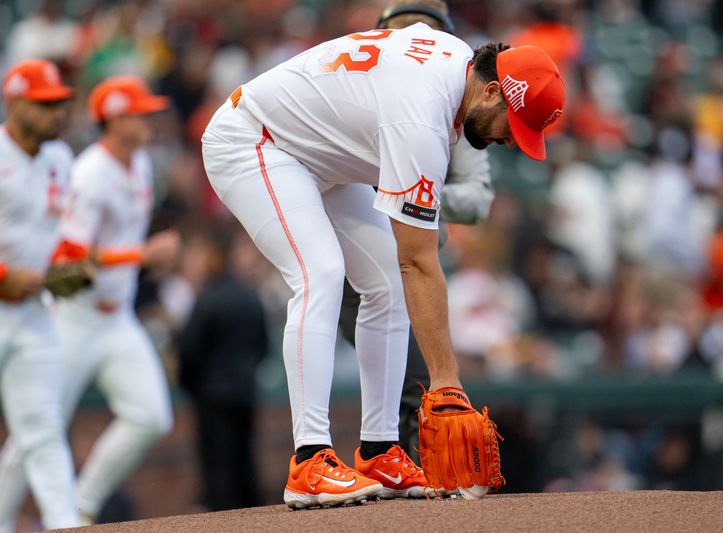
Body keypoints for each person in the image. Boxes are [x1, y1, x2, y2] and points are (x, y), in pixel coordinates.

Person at [202, 20, 564, 508]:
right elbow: (419, 258)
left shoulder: (457, 63)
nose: (509, 141)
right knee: (321, 273)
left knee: (386, 282)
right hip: (255, 140)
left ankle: (379, 449)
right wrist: (448, 383)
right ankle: (309, 460)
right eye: (513, 126)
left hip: (317, 153)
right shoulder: (421, 118)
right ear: (494, 92)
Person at [0, 75, 179, 526]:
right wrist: (141, 255)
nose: (150, 121)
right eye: (140, 113)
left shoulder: (137, 164)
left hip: (116, 317)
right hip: (72, 316)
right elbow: (70, 260)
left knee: (151, 416)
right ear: (115, 119)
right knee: (35, 432)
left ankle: (78, 506)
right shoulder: (89, 173)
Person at [337, 0, 495, 461]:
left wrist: (413, 192)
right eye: (403, 28)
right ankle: (392, 467)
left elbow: (478, 200)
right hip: (353, 256)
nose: (413, 37)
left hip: (415, 260)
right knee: (400, 378)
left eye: (424, 28)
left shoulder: (453, 97)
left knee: (412, 379)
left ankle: (414, 475)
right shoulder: (361, 78)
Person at [0, 59, 80, 531]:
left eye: (60, 104)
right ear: (16, 103)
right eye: (45, 104)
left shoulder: (61, 159)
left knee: (43, 428)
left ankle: (65, 522)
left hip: (31, 310)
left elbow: (57, 233)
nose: (57, 113)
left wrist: (75, 261)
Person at [178, 227, 268, 511]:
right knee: (245, 459)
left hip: (212, 395)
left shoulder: (207, 299)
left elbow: (188, 352)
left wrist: (191, 384)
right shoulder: (250, 296)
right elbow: (263, 347)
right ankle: (254, 518)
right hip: (245, 391)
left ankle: (223, 520)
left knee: (218, 467)